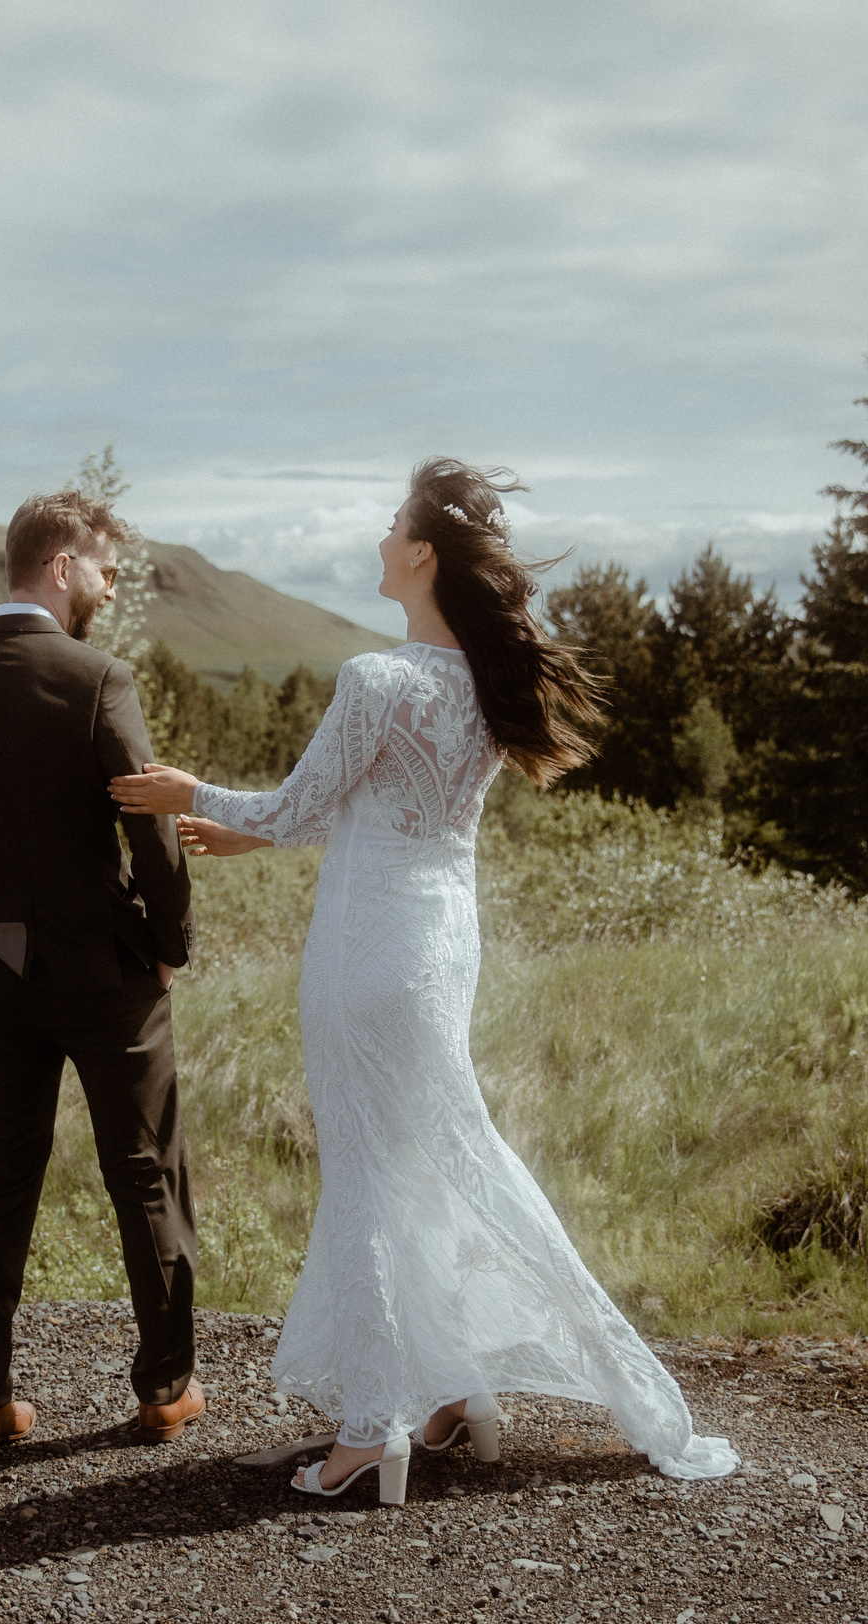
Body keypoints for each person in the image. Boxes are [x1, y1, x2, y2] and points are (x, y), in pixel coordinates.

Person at [109, 458, 737, 1501]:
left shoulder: (378, 680)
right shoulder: (483, 689)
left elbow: (296, 802)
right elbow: (340, 811)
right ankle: (454, 1392)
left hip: (365, 952)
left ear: (421, 554)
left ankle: (370, 1430)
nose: (376, 542)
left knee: (365, 1173)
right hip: (441, 943)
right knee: (437, 1160)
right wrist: (237, 831)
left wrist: (186, 791)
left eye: (388, 526)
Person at [0, 489, 203, 1465]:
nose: (106, 585)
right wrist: (169, 943)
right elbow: (149, 821)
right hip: (106, 973)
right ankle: (166, 1391)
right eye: (102, 568)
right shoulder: (98, 677)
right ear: (60, 566)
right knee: (145, 1173)